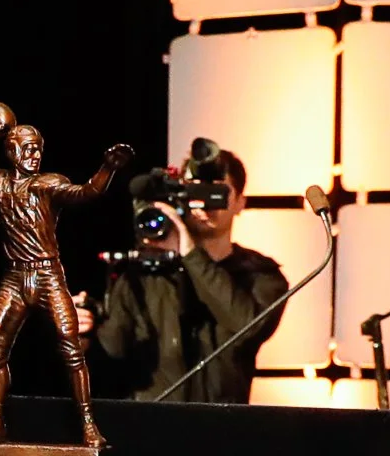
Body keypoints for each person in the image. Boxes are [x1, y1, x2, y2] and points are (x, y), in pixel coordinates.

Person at [0, 101, 132, 449]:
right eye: (27, 149)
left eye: (38, 149)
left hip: (48, 274)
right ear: (11, 151)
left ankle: (87, 424)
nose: (34, 155)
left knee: (71, 348)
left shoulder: (48, 185)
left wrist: (107, 168)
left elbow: (87, 192)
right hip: (15, 277)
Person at [88, 144, 286, 402]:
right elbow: (113, 359)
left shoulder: (260, 275)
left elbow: (246, 326)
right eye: (195, 191)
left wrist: (190, 253)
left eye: (215, 192)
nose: (204, 204)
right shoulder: (144, 275)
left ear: (239, 202)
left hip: (224, 429)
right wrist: (84, 335)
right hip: (154, 428)